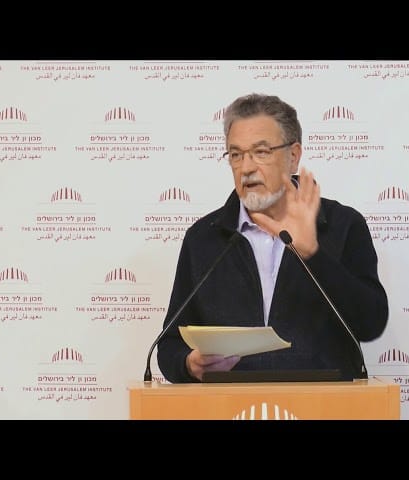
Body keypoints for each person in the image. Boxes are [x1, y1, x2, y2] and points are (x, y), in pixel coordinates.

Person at [157, 93, 388, 383]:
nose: (246, 168)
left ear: (293, 157)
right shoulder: (204, 238)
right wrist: (189, 364)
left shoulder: (342, 226)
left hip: (323, 404)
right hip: (231, 404)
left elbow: (371, 324)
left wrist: (313, 254)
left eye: (261, 152)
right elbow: (168, 347)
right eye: (236, 155)